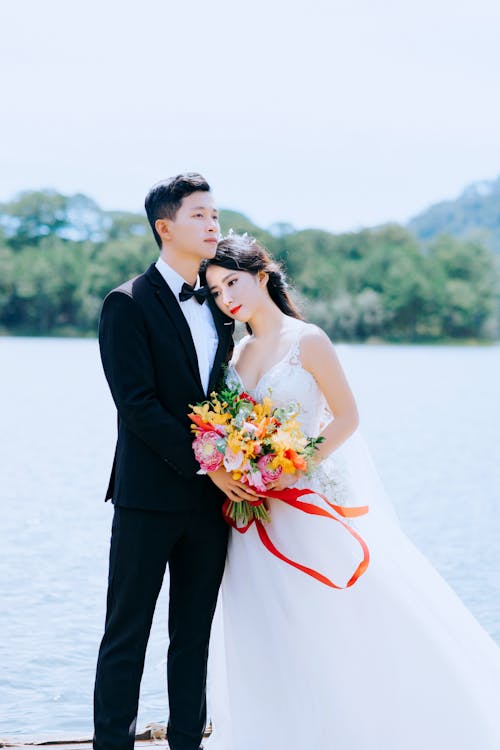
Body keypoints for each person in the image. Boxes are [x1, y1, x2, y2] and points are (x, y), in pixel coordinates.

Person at [201, 232, 500, 750]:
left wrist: (290, 466)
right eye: (216, 290)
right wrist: (240, 469)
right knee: (268, 630)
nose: (227, 296)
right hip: (252, 520)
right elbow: (229, 427)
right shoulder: (239, 350)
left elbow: (348, 417)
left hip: (306, 508)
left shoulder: (307, 340)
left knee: (329, 624)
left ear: (262, 276)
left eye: (233, 281)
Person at [93, 174, 258, 750]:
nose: (213, 225)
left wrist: (241, 457)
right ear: (165, 227)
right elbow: (136, 405)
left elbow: (223, 399)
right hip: (147, 495)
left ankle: (188, 742)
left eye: (216, 214)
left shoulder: (219, 309)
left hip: (211, 501)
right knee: (126, 634)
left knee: (193, 637)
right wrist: (208, 463)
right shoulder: (126, 303)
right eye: (199, 215)